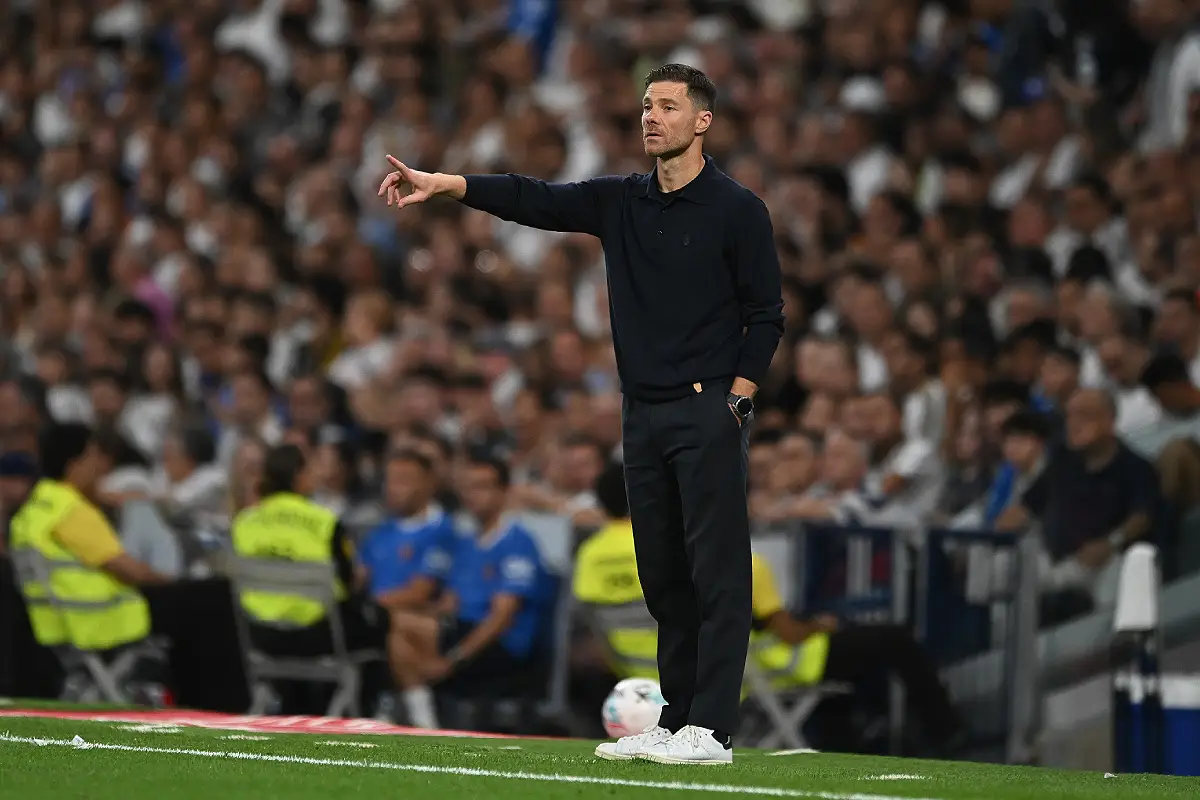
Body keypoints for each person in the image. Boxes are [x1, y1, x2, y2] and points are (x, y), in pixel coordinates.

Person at [380, 62, 783, 765]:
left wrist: (738, 399)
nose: (650, 116)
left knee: (714, 573)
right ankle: (676, 718)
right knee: (660, 574)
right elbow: (534, 199)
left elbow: (765, 314)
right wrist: (447, 185)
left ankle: (713, 730)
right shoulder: (622, 200)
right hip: (642, 414)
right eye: (646, 106)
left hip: (704, 412)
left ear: (702, 121)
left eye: (666, 106)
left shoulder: (737, 208)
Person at [575, 461, 964, 755]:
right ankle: (948, 737)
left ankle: (845, 741)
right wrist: (821, 625)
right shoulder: (712, 552)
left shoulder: (589, 559)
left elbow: (598, 636)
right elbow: (787, 633)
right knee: (891, 639)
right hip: (755, 670)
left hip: (649, 678)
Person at [388, 454, 550, 730]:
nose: (473, 496)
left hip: (504, 646)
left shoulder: (517, 542)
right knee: (395, 627)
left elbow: (502, 618)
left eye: (482, 487)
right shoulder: (466, 541)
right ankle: (419, 712)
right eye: (468, 488)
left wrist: (453, 660)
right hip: (460, 630)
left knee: (398, 624)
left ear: (504, 492)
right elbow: (449, 605)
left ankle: (415, 712)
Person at [230, 443, 387, 712]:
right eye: (311, 469)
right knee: (379, 620)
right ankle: (368, 713)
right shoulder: (325, 522)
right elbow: (348, 585)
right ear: (298, 476)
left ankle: (291, 707)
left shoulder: (244, 522)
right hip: (315, 636)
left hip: (260, 635)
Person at [9, 423, 168, 654]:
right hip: (104, 626)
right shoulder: (72, 511)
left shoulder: (34, 510)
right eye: (93, 456)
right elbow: (131, 571)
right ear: (74, 464)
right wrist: (173, 581)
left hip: (57, 630)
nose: (100, 466)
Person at [357, 449, 454, 612]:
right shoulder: (380, 531)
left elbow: (419, 594)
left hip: (413, 621)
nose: (392, 488)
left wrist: (365, 607)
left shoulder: (443, 530)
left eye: (403, 481)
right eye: (389, 481)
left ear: (429, 483)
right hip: (374, 620)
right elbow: (359, 577)